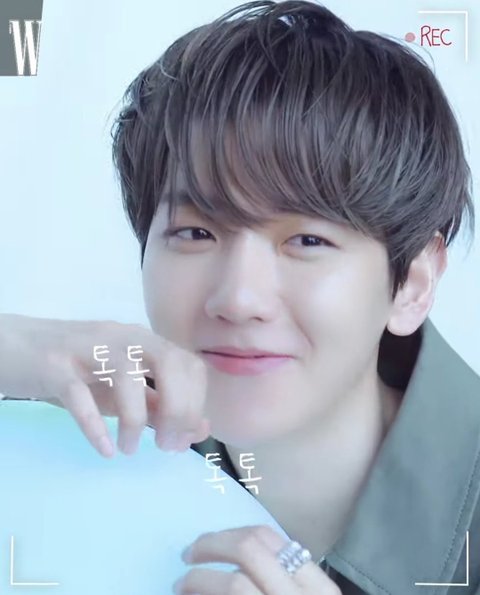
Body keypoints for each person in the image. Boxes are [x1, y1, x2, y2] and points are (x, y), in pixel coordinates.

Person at [2, 0, 479, 593]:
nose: (238, 298)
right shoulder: (92, 429)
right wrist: (14, 345)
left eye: (307, 240)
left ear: (413, 283)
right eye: (195, 233)